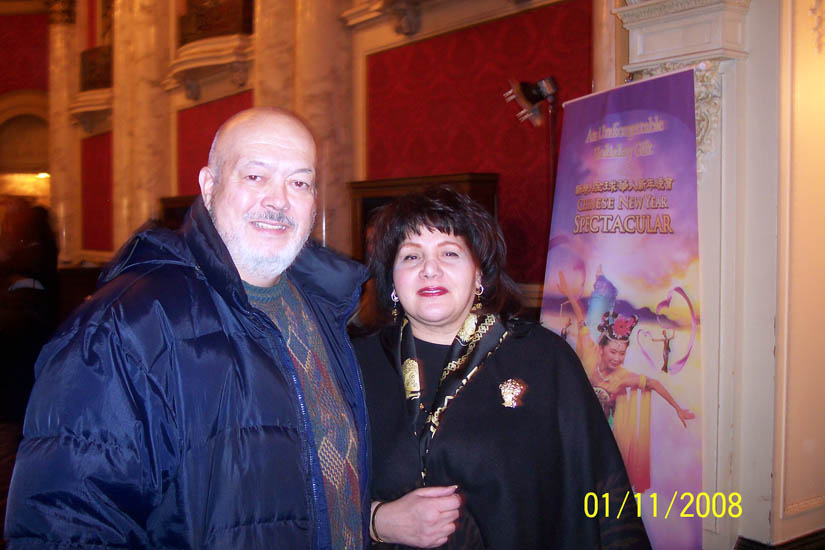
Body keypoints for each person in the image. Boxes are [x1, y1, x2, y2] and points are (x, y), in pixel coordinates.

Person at [5, 108, 371, 549]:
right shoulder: (126, 327)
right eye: (255, 176)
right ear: (209, 185)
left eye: (299, 183)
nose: (278, 201)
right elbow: (66, 528)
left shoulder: (323, 308)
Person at [354, 186, 650, 549]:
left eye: (449, 253)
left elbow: (603, 493)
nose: (430, 269)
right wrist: (377, 520)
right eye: (411, 256)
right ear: (392, 280)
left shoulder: (544, 361)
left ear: (479, 273)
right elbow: (308, 492)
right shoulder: (354, 366)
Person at [557, 271, 694, 493]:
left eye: (622, 353)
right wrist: (570, 295)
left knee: (601, 483)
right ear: (601, 348)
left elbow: (654, 384)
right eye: (613, 351)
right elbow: (581, 319)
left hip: (605, 437)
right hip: (579, 429)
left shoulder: (623, 377)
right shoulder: (589, 353)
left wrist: (677, 408)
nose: (617, 358)